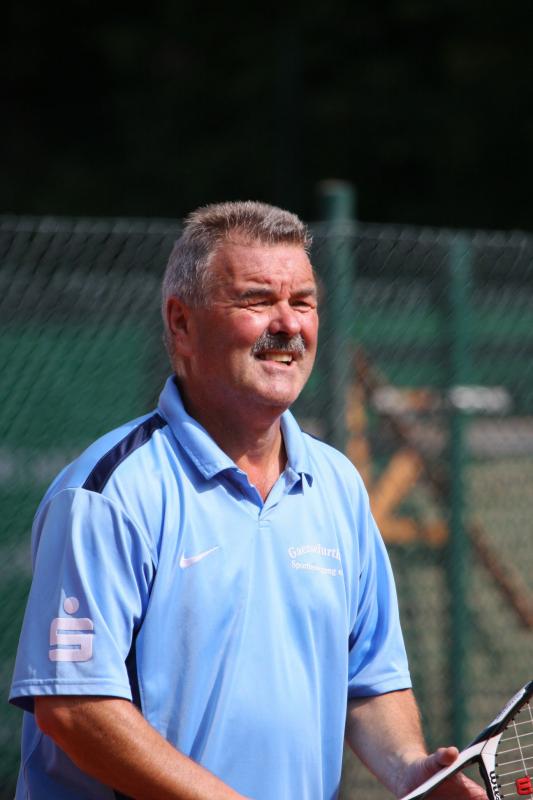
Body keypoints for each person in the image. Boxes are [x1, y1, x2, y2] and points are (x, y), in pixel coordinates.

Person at [9, 201, 486, 800]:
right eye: (257, 300)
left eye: (303, 302)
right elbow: (76, 709)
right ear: (181, 323)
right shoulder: (109, 495)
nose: (288, 325)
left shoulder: (337, 484)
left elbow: (369, 681)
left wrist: (410, 770)